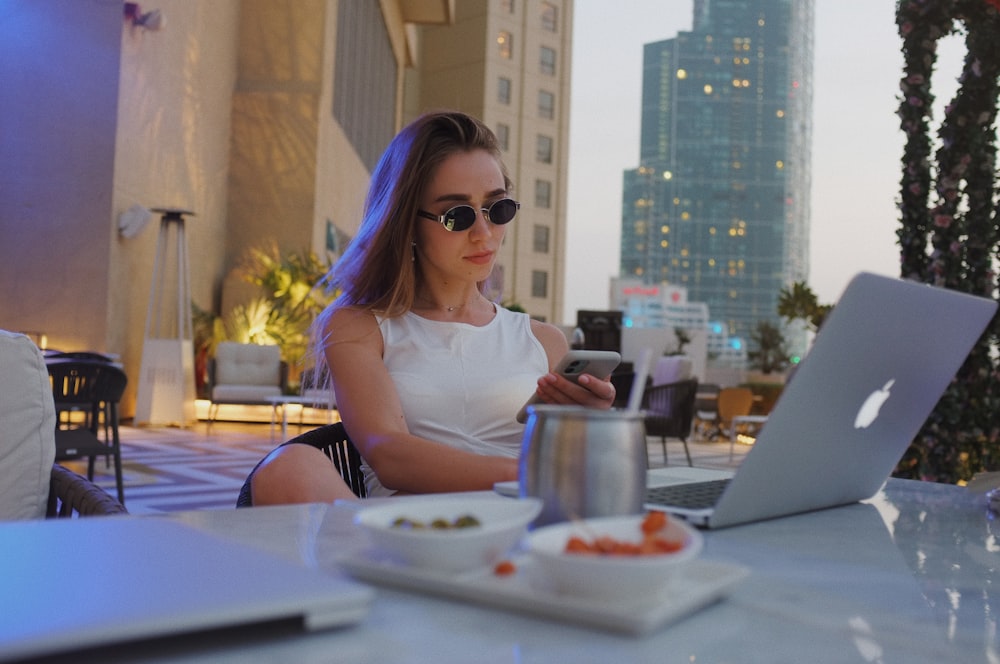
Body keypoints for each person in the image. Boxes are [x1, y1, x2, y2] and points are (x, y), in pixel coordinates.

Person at [250, 110, 615, 505]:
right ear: (407, 222)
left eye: (498, 209)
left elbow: (581, 470)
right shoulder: (357, 327)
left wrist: (592, 425)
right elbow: (390, 456)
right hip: (410, 535)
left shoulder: (543, 341)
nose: (484, 233)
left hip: (522, 523)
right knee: (287, 466)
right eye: (457, 215)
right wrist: (529, 474)